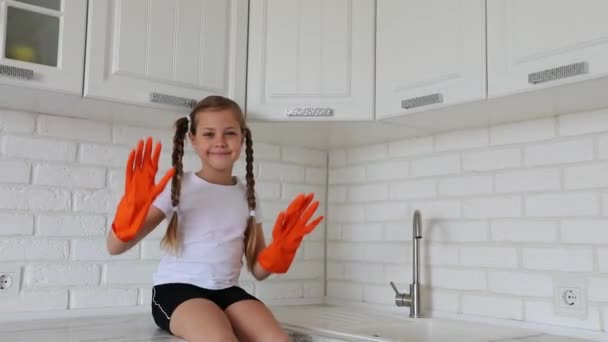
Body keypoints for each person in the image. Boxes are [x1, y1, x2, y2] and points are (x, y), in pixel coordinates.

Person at [106, 95, 323, 342]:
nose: (220, 141)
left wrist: (278, 253)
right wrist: (124, 223)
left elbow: (257, 270)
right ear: (193, 140)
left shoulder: (247, 195)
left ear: (243, 138)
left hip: (227, 291)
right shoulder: (177, 187)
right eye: (209, 134)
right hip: (176, 290)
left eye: (229, 133)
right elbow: (114, 247)